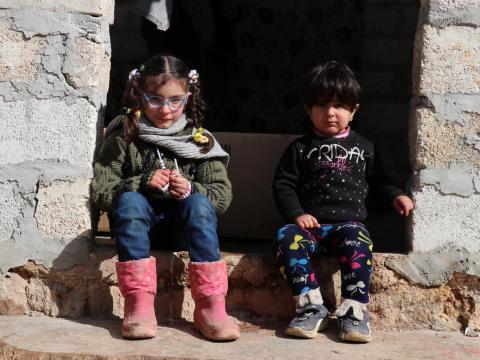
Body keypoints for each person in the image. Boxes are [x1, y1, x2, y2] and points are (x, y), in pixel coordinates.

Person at [90, 54, 240, 341]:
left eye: (176, 100)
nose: (166, 109)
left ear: (188, 96)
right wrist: (142, 183)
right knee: (131, 201)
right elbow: (100, 190)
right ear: (139, 95)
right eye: (155, 99)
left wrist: (190, 189)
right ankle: (139, 305)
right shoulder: (124, 136)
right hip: (135, 235)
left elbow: (222, 196)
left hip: (184, 233)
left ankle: (210, 307)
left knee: (198, 203)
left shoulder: (199, 141)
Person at [272, 61, 414, 343]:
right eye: (321, 105)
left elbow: (380, 180)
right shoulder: (299, 148)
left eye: (339, 105)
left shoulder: (364, 147)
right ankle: (311, 306)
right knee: (285, 237)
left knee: (361, 240)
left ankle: (354, 311)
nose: (330, 113)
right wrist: (297, 214)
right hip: (309, 227)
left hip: (348, 227)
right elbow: (283, 185)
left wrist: (395, 194)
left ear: (354, 110)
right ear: (308, 110)